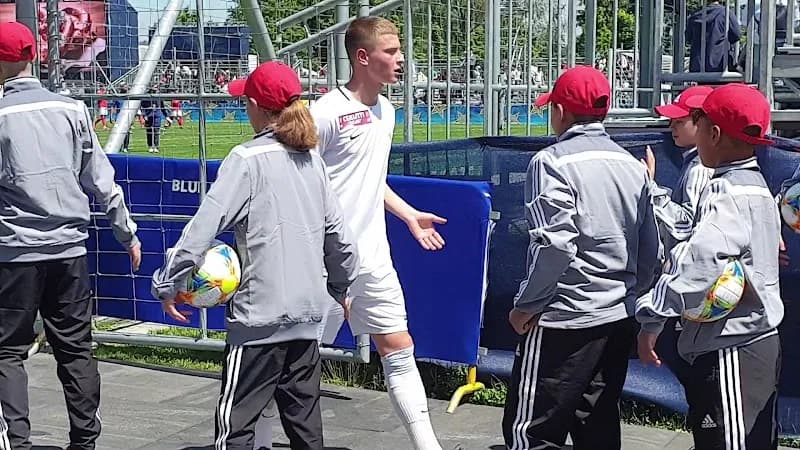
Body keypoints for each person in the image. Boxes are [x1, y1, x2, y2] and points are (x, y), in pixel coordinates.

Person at [152, 60, 358, 450]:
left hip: (259, 321)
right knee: (306, 430)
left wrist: (167, 282)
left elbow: (202, 228)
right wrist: (340, 287)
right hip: (306, 318)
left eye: (244, 102)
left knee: (235, 429)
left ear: (257, 108)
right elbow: (341, 240)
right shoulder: (311, 160)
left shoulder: (246, 160)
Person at [501, 66, 661, 450]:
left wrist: (527, 305)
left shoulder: (551, 161)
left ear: (561, 111)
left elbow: (555, 245)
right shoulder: (631, 165)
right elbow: (651, 245)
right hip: (616, 316)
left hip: (563, 320)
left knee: (532, 433)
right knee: (598, 426)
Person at [0, 22, 141, 450]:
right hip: (69, 250)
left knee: (7, 352)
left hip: (15, 251)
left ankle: (17, 441)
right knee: (76, 348)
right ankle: (85, 439)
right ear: (32, 57)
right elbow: (101, 179)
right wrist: (127, 232)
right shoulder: (71, 109)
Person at [311, 16, 447, 450]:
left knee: (398, 345)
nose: (401, 59)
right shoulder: (325, 113)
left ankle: (428, 446)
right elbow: (301, 182)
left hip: (373, 255)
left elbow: (371, 180)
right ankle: (255, 438)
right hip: (322, 260)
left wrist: (408, 215)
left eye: (400, 51)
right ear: (363, 58)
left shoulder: (386, 112)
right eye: (391, 52)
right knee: (296, 360)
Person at [637, 83, 784, 449]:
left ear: (713, 134)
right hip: (755, 342)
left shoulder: (726, 192)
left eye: (697, 125)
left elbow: (699, 262)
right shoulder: (757, 186)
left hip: (732, 347)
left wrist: (652, 311)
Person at [639, 85, 715, 387]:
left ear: (704, 124)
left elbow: (686, 226)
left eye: (679, 120)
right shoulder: (698, 164)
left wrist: (651, 187)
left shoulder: (699, 169)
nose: (671, 126)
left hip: (694, 289)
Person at [686, 0, 741, 73]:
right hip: (721, 65)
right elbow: (736, 35)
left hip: (698, 67)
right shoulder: (726, 13)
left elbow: (688, 38)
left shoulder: (695, 15)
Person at [140, 86, 171, 153]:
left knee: (156, 131)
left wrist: (167, 116)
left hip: (157, 115)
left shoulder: (159, 97)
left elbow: (162, 107)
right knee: (149, 131)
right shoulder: (146, 97)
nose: (155, 91)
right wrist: (144, 115)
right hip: (148, 116)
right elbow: (142, 107)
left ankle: (156, 146)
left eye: (156, 90)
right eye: (153, 90)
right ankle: (150, 146)